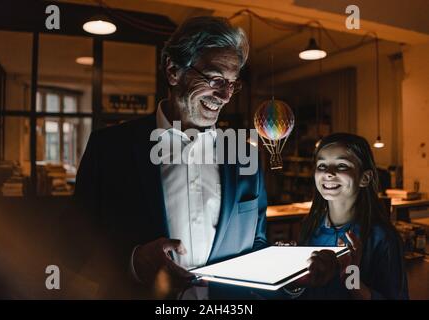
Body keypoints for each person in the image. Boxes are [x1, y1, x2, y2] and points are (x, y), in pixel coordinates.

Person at [67, 16, 338, 299]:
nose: (224, 96)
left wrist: (293, 275)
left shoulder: (245, 154)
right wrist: (134, 262)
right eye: (214, 79)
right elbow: (73, 243)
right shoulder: (110, 149)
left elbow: (255, 245)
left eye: (232, 84)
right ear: (173, 70)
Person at [297, 133, 408, 299]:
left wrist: (351, 280)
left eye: (342, 165)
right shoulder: (310, 227)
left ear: (365, 178)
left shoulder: (382, 238)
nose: (328, 172)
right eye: (321, 165)